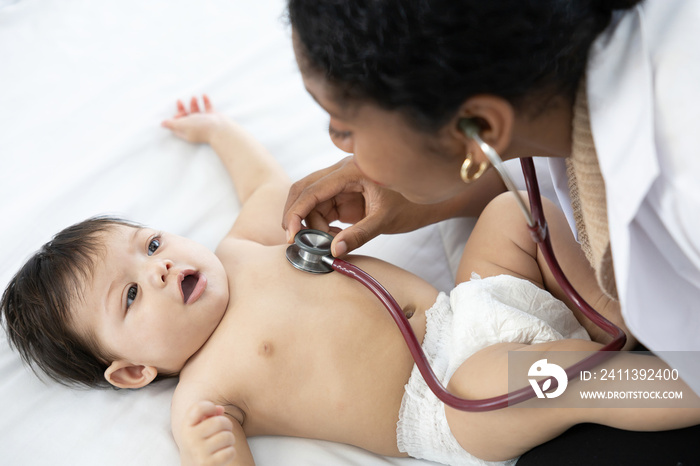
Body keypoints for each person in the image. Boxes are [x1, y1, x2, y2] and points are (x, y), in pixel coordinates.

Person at [2, 96, 698, 466]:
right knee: (562, 382)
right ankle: (683, 377)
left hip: (471, 304)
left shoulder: (243, 245)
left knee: (505, 216)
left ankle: (621, 313)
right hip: (449, 400)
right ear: (130, 371)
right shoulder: (202, 396)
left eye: (150, 242)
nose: (156, 265)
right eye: (130, 295)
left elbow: (268, 181)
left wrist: (218, 132)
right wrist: (209, 454)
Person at [281, 0, 700, 398]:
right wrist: (427, 188)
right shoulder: (558, 83)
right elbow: (553, 169)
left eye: (343, 127)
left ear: (478, 124)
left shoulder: (684, 186)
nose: (340, 146)